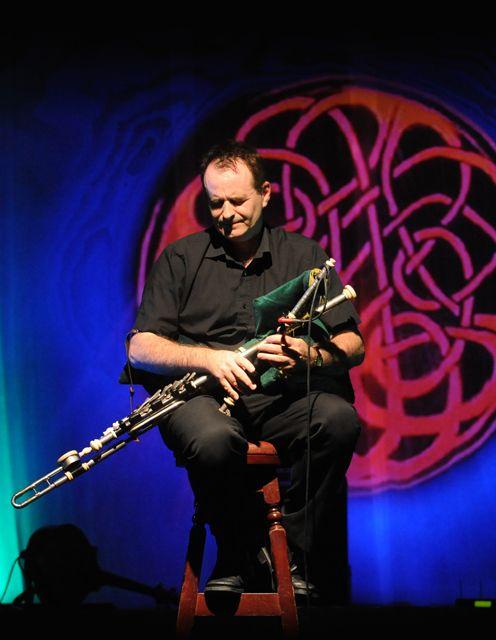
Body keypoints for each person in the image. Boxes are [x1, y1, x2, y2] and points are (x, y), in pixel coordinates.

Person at [127, 140, 364, 599]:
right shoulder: (181, 258)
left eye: (237, 201)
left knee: (338, 420)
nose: (226, 213)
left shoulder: (305, 255)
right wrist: (210, 358)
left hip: (281, 401)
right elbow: (140, 347)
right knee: (214, 440)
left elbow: (353, 344)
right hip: (203, 399)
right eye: (216, 203)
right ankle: (241, 552)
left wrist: (310, 355)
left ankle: (290, 555)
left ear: (266, 193)